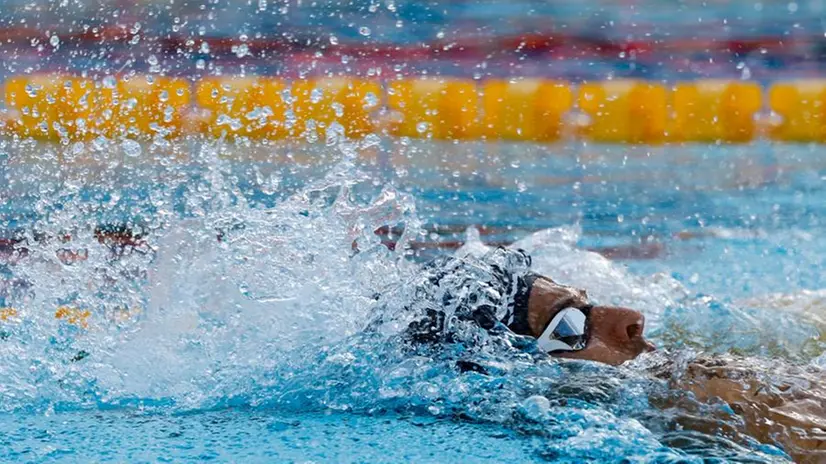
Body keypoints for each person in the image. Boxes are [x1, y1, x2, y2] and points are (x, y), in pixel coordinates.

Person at [378, 246, 824, 462]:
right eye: (569, 326)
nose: (630, 316)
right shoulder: (709, 412)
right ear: (517, 375)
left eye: (586, 302)